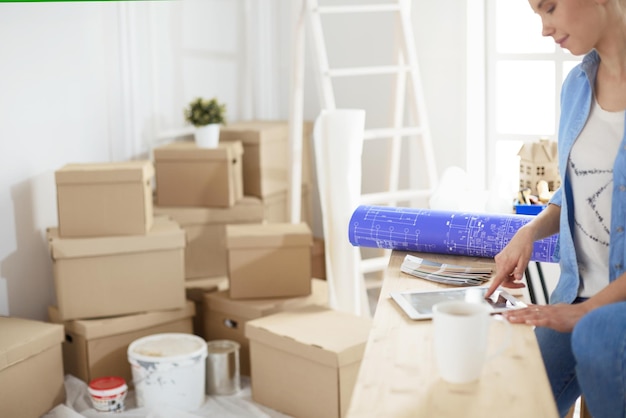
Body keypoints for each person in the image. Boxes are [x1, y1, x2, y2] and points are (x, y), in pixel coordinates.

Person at [484, 0, 626, 417]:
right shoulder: (576, 87)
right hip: (577, 295)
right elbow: (573, 193)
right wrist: (527, 233)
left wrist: (584, 314)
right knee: (507, 396)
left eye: (550, 8)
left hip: (605, 311)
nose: (545, 29)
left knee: (596, 337)